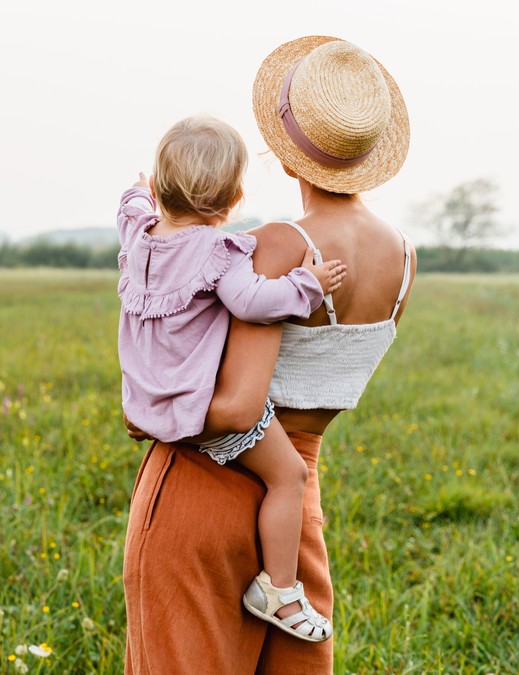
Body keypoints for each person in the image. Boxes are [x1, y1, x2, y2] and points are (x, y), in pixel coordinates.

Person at [123, 36, 416, 674]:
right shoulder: (402, 256)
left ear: (286, 157)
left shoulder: (276, 245)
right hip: (296, 501)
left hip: (208, 489)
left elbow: (235, 407)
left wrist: (145, 412)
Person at [116, 115, 346, 643]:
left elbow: (129, 201)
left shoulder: (136, 232)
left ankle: (280, 589)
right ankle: (280, 590)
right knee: (288, 477)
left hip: (148, 404)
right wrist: (307, 284)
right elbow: (254, 303)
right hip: (206, 412)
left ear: (157, 187)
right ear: (235, 197)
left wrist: (137, 189)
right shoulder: (218, 252)